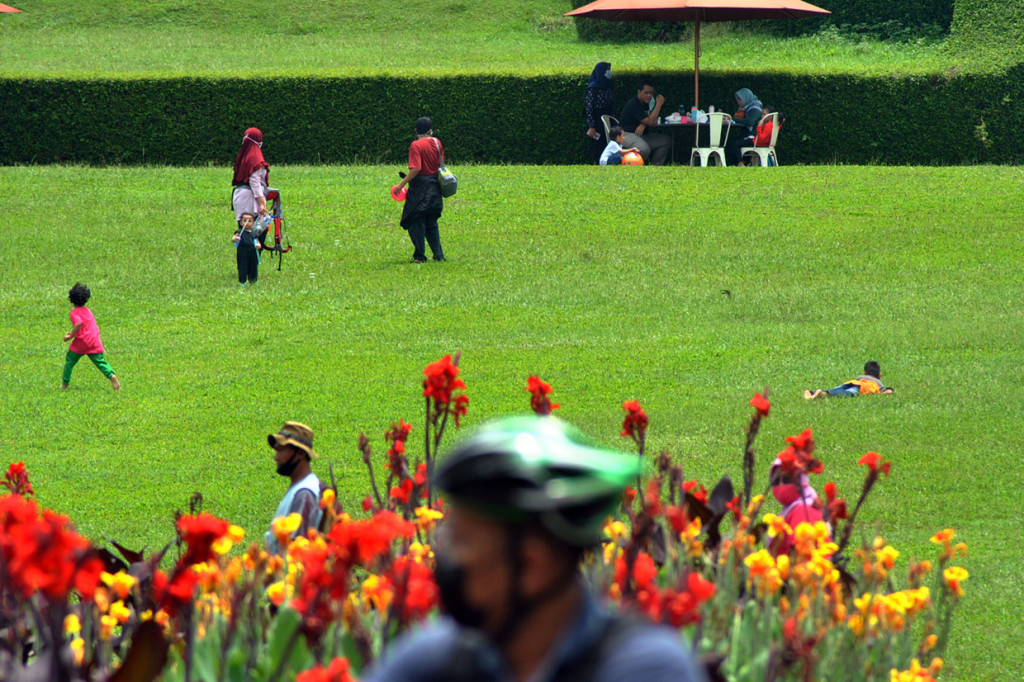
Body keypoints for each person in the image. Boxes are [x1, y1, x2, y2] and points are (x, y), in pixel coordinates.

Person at [363, 416, 708, 682]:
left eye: (462, 541)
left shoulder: (641, 669)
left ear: (532, 564)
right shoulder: (434, 661)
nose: (444, 556)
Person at [265, 421, 323, 555]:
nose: (276, 457)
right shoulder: (299, 488)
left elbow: (296, 552)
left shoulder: (304, 494)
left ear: (301, 453)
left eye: (281, 450)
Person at [394, 117, 446, 263]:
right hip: (435, 187)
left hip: (420, 189)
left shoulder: (415, 145)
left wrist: (401, 184)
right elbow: (440, 164)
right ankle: (439, 254)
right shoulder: (437, 142)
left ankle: (420, 256)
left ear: (416, 131)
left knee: (414, 220)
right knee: (431, 221)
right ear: (431, 130)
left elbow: (416, 168)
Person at [61, 283, 120, 391]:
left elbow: (78, 324)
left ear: (71, 299)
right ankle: (112, 376)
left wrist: (71, 335)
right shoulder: (88, 311)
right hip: (93, 340)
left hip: (81, 342)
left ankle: (65, 384)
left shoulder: (74, 313)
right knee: (100, 361)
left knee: (70, 361)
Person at [768, 457, 824, 556]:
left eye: (786, 479)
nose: (781, 485)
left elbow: (800, 555)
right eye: (776, 481)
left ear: (800, 480)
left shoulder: (802, 510)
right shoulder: (794, 507)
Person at [231, 127, 273, 241]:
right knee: (255, 235)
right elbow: (254, 182)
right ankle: (253, 258)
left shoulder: (244, 156)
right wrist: (262, 204)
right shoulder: (256, 158)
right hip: (250, 200)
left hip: (239, 196)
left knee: (244, 233)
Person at [618, 79, 671, 166]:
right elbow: (650, 121)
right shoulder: (634, 104)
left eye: (651, 93)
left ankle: (655, 167)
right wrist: (659, 104)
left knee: (666, 141)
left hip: (642, 135)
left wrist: (643, 124)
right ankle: (635, 166)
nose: (649, 95)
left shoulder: (647, 104)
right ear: (639, 92)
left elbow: (653, 121)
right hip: (627, 134)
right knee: (644, 149)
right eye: (646, 93)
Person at [804, 361, 894, 400]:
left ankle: (810, 392)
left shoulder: (860, 377)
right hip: (863, 387)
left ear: (865, 372)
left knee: (836, 389)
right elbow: (889, 391)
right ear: (879, 375)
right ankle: (821, 394)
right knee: (846, 393)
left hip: (853, 382)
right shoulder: (877, 383)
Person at [585, 61, 614, 165]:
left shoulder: (607, 85)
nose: (608, 72)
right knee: (597, 143)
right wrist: (591, 125)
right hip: (597, 118)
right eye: (607, 70)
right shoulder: (593, 87)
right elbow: (589, 107)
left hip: (607, 117)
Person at [725, 88, 763, 166]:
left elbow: (749, 121)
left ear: (746, 98)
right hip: (747, 135)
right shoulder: (744, 108)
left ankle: (741, 163)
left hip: (753, 136)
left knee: (734, 143)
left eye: (740, 99)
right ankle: (740, 162)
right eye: (737, 99)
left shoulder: (755, 108)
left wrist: (732, 119)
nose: (738, 101)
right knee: (728, 142)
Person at [231, 212, 261, 286]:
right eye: (245, 221)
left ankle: (253, 280)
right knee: (243, 265)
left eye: (250, 221)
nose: (247, 223)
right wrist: (235, 239)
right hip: (243, 250)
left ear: (253, 223)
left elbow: (258, 242)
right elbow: (234, 238)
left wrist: (258, 245)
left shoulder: (254, 234)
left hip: (252, 251)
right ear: (241, 223)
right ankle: (242, 281)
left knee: (253, 266)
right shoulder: (240, 232)